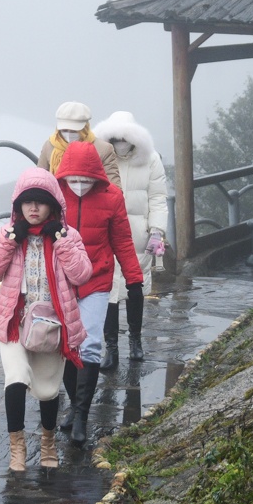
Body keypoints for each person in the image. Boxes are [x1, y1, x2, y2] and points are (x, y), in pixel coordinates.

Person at [0, 167, 91, 471]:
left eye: (39, 202)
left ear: (52, 205)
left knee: (47, 391)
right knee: (15, 379)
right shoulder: (9, 235)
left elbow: (82, 274)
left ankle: (47, 442)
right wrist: (8, 242)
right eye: (27, 202)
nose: (33, 208)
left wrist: (63, 241)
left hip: (51, 327)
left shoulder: (67, 236)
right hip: (14, 323)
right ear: (18, 206)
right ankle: (17, 448)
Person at [53, 140, 142, 444]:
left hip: (97, 281)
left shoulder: (112, 198)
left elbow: (123, 242)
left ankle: (81, 415)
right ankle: (73, 405)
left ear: (97, 177)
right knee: (65, 344)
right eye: (73, 180)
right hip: (62, 281)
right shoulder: (54, 196)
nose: (78, 185)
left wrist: (134, 277)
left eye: (85, 180)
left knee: (89, 343)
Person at [93, 111, 170, 364]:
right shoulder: (101, 157)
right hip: (107, 233)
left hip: (139, 235)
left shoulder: (150, 159)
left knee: (135, 288)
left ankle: (135, 340)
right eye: (115, 138)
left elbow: (158, 197)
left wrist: (157, 230)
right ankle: (111, 348)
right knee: (109, 290)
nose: (120, 142)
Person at [38, 102, 120, 186]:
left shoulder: (103, 149)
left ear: (85, 128)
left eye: (74, 131)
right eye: (64, 130)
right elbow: (39, 179)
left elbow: (114, 185)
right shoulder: (49, 146)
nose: (69, 134)